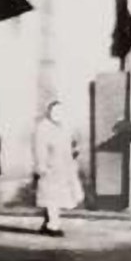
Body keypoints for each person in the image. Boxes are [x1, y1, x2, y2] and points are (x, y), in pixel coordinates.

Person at [33, 100, 83, 236]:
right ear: (49, 112)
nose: (57, 114)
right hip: (50, 167)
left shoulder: (65, 127)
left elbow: (72, 144)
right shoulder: (43, 127)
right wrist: (41, 165)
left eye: (59, 111)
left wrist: (74, 152)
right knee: (51, 197)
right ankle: (53, 226)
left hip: (64, 167)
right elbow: (39, 148)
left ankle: (47, 223)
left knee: (59, 197)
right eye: (54, 111)